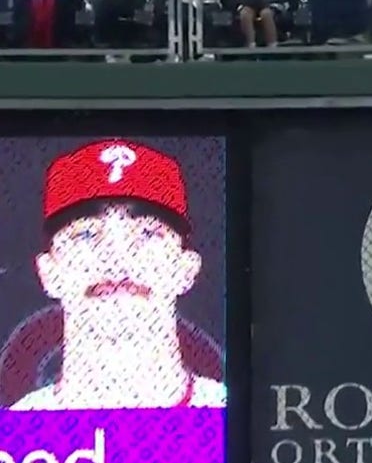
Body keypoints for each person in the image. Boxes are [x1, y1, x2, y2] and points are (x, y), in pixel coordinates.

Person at [9, 140, 226, 410]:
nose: (117, 257)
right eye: (87, 234)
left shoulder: (229, 414)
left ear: (186, 269)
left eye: (147, 233)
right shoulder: (15, 435)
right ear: (49, 272)